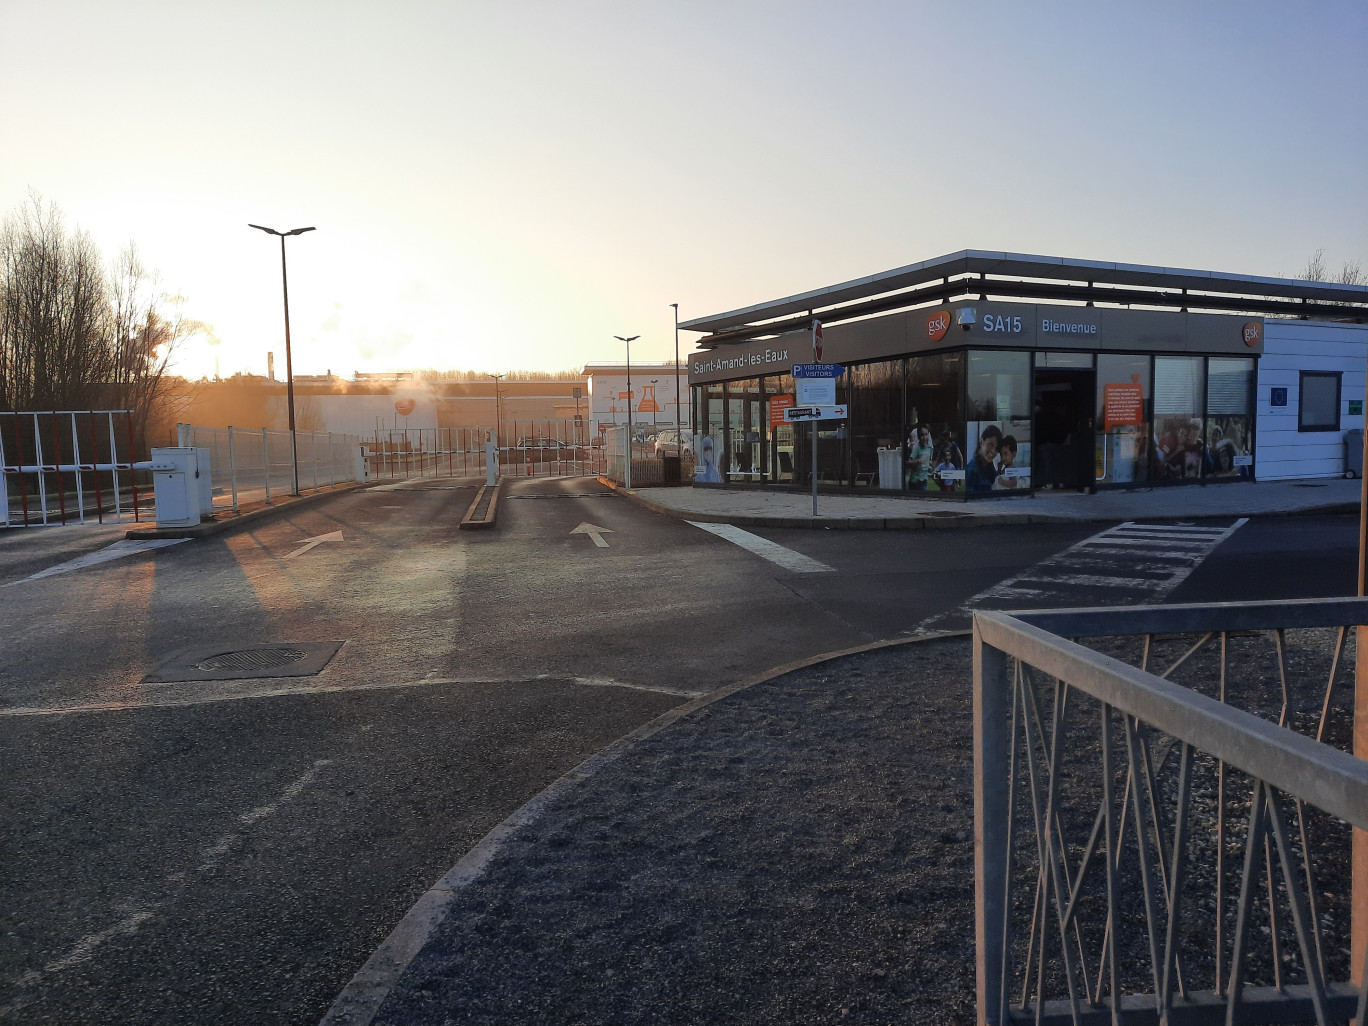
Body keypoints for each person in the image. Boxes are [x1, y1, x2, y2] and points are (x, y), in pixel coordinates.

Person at [966, 424, 1003, 493]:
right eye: (990, 444)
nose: (993, 451)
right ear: (981, 442)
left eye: (996, 448)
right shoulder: (972, 470)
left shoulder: (989, 466)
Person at [904, 424, 934, 490]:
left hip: (924, 481)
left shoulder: (929, 448)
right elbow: (908, 463)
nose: (924, 437)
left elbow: (926, 463)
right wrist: (917, 461)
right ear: (919, 437)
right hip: (914, 482)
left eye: (926, 434)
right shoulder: (916, 448)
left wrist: (929, 468)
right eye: (922, 435)